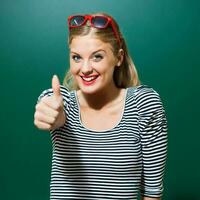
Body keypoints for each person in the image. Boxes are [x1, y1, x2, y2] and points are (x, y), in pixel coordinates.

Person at [34, 12, 168, 200]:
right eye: (76, 57)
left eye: (97, 57)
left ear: (118, 58)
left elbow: (153, 192)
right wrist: (49, 113)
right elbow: (51, 105)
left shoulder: (143, 105)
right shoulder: (63, 103)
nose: (86, 68)